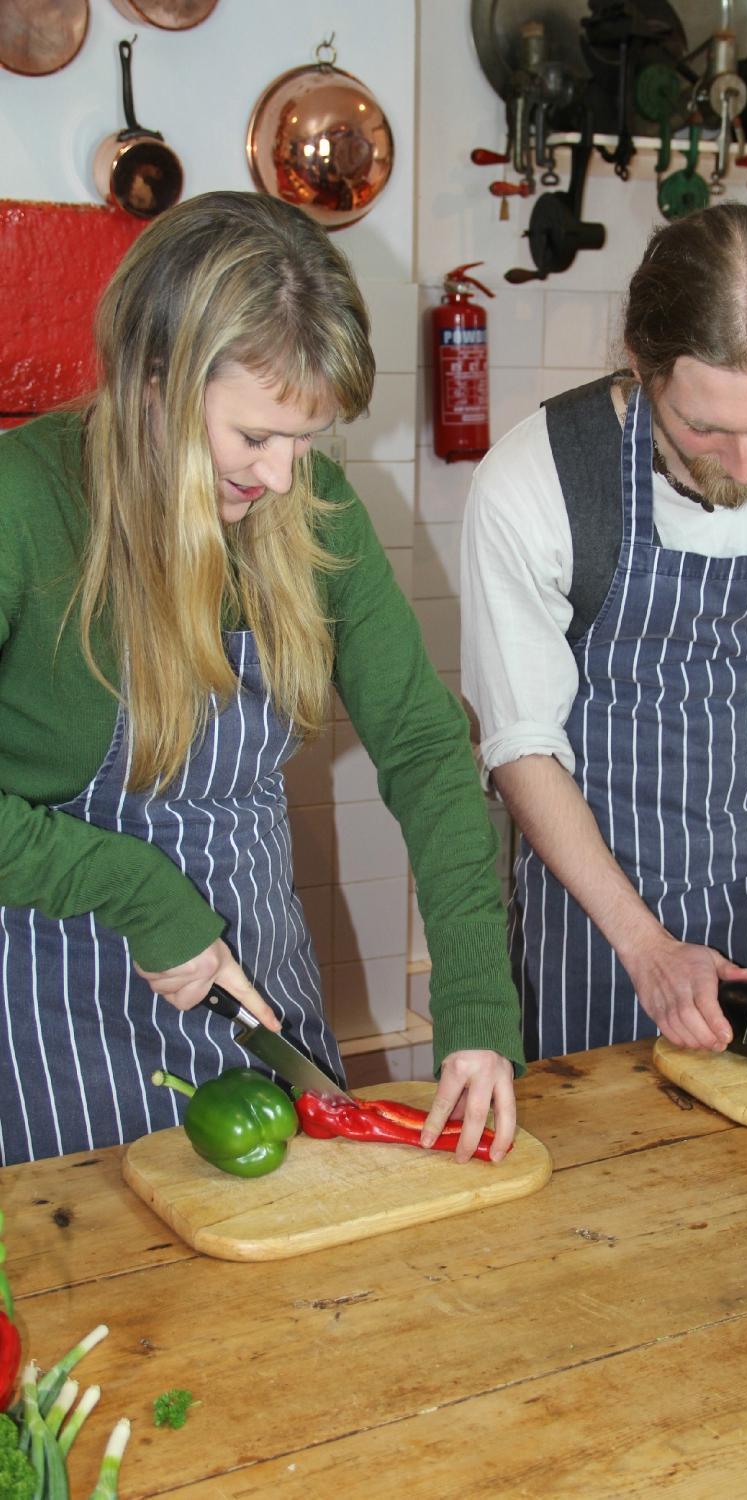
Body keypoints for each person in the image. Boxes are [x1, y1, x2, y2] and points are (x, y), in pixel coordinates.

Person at [0, 190, 524, 1167]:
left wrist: (476, 1003)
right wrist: (134, 891)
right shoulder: (23, 506)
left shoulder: (309, 509)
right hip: (55, 998)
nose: (285, 478)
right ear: (154, 381)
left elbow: (420, 744)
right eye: (254, 438)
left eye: (307, 440)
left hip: (261, 991)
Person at [461, 202, 747, 1063]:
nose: (744, 465)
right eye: (705, 428)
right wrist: (643, 943)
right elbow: (521, 743)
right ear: (641, 366)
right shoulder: (535, 482)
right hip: (598, 913)